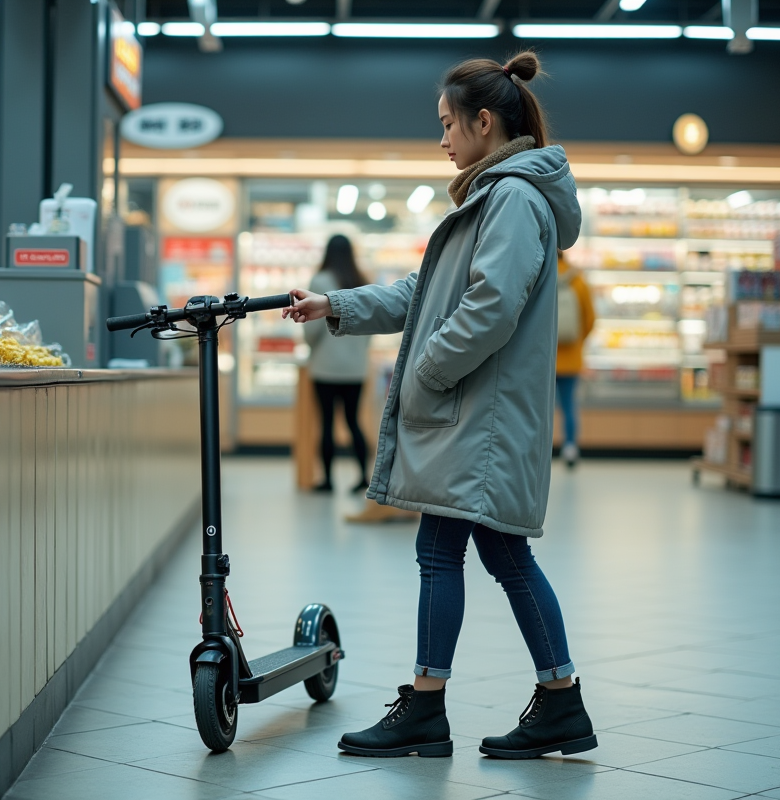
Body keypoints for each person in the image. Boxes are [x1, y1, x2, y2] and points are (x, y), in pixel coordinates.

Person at [283, 51, 596, 760]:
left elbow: (490, 308)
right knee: (483, 553)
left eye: (448, 123)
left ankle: (446, 706)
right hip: (478, 413)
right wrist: (336, 305)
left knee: (460, 553)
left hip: (481, 416)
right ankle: (546, 700)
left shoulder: (511, 198)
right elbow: (421, 294)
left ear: (484, 122)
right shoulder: (495, 196)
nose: (443, 138)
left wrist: (424, 371)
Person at [304, 235, 371, 493]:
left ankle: (328, 480)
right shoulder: (361, 281)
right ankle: (364, 477)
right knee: (354, 422)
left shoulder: (320, 281)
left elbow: (311, 331)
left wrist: (312, 346)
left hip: (326, 367)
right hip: (356, 368)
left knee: (327, 423)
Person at [555, 252, 596, 468]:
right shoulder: (578, 279)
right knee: (569, 404)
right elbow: (590, 318)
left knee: (539, 407)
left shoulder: (541, 276)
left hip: (545, 358)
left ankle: (540, 447)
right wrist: (578, 341)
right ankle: (570, 447)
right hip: (572, 358)